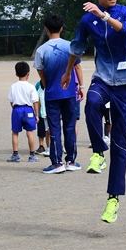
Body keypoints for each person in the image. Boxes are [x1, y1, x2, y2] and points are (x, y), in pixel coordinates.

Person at [61, 0, 126, 223]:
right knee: (91, 103)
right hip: (103, 78)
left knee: (120, 141)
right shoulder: (87, 20)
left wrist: (104, 16)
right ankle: (97, 152)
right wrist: (67, 72)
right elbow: (76, 47)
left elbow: (124, 31)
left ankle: (113, 199)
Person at [34, 13, 82, 174]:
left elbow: (41, 73)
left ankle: (57, 163)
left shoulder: (41, 50)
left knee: (54, 128)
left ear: (46, 29)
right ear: (61, 28)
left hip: (52, 94)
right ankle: (71, 161)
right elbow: (77, 67)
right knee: (70, 126)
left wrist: (47, 86)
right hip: (69, 93)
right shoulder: (70, 46)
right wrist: (80, 86)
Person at [7, 61, 40, 163]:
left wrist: (15, 108)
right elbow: (35, 101)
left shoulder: (13, 86)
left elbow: (11, 101)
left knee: (15, 132)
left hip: (17, 109)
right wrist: (36, 115)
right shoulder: (31, 87)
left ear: (16, 74)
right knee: (29, 132)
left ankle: (15, 154)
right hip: (28, 109)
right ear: (28, 73)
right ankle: (32, 155)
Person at [34, 80, 50, 156]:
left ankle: (51, 147)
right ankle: (41, 145)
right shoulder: (38, 85)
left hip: (51, 112)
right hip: (42, 112)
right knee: (41, 129)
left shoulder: (52, 82)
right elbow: (37, 100)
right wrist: (37, 113)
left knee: (50, 131)